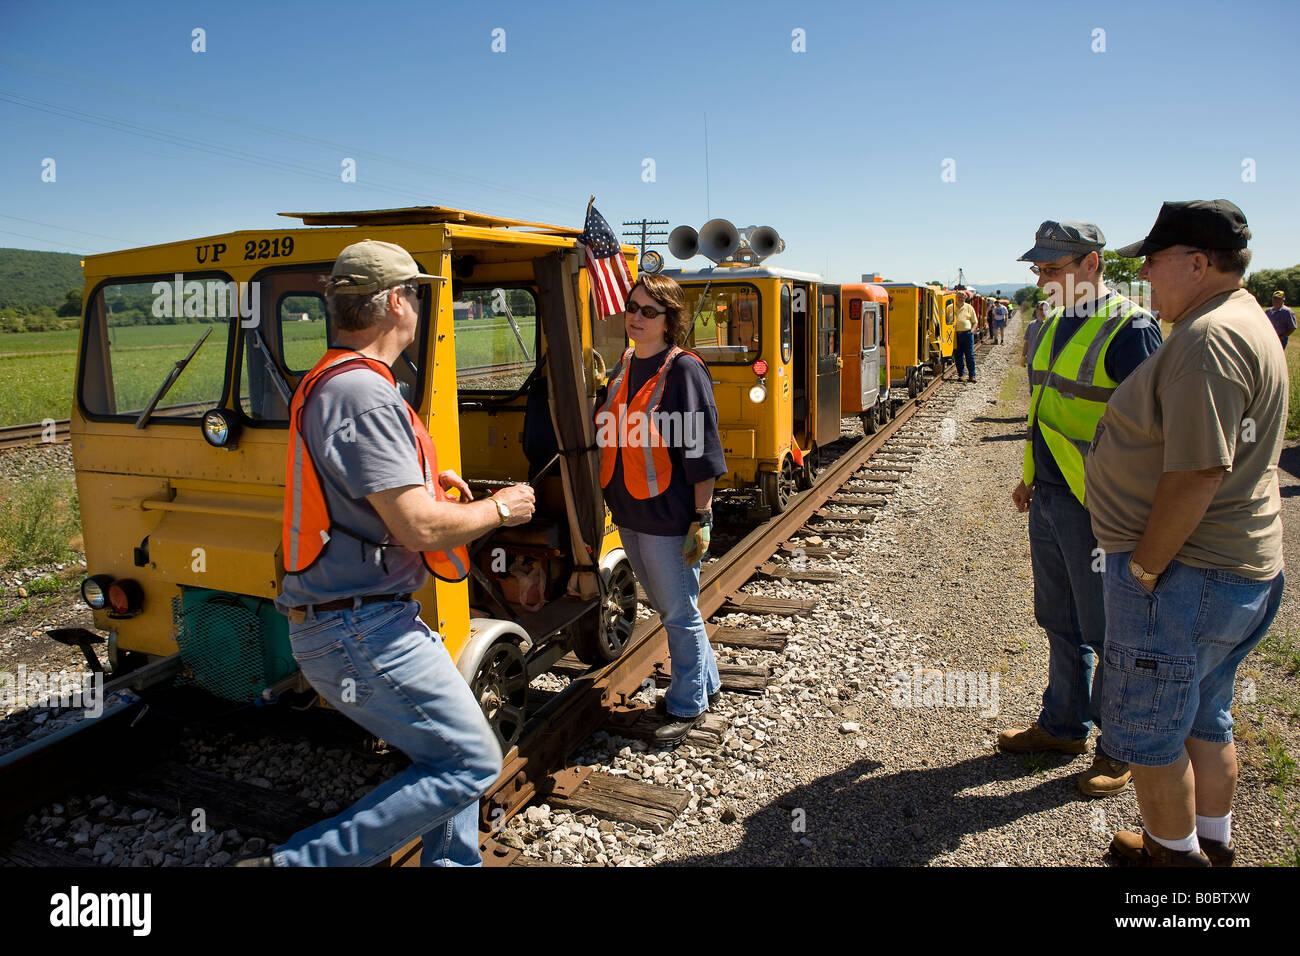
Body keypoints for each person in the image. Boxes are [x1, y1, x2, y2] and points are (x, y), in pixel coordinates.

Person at [263, 240, 536, 867]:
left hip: (357, 617)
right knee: (471, 760)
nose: (418, 304)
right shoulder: (363, 393)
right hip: (360, 626)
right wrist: (500, 510)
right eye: (415, 292)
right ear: (394, 303)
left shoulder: (335, 382)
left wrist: (430, 491)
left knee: (446, 752)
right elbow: (415, 528)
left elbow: (376, 504)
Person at [1087, 200, 1286, 866]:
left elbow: (1199, 470)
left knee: (1149, 732)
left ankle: (1172, 863)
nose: (1143, 273)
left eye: (1155, 260)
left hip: (1185, 576)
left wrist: (1145, 568)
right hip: (1228, 571)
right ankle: (1208, 843)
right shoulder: (1238, 320)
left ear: (1198, 262)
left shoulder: (1209, 340)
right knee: (1204, 717)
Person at [1002, 220, 1163, 799]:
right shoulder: (1051, 324)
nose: (1044, 279)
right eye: (1039, 270)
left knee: (1109, 630)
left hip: (1102, 508)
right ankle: (1062, 725)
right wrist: (1029, 480)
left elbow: (1156, 434)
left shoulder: (1130, 328)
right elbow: (1045, 409)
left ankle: (1117, 749)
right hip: (1050, 497)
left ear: (1092, 264)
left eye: (1053, 268)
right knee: (1059, 621)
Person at [598, 274, 727, 746]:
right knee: (674, 607)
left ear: (670, 320)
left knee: (677, 612)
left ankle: (687, 704)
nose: (635, 317)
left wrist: (701, 517)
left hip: (670, 517)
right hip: (630, 512)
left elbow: (702, 449)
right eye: (632, 307)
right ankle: (705, 683)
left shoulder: (683, 369)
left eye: (648, 311)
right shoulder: (624, 363)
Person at [954, 290, 977, 381]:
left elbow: (975, 322)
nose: (960, 299)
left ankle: (972, 375)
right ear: (956, 298)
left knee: (969, 355)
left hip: (967, 334)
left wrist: (971, 331)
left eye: (962, 297)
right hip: (955, 335)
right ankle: (961, 375)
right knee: (958, 355)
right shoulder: (950, 308)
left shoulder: (969, 308)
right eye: (958, 297)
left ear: (965, 298)